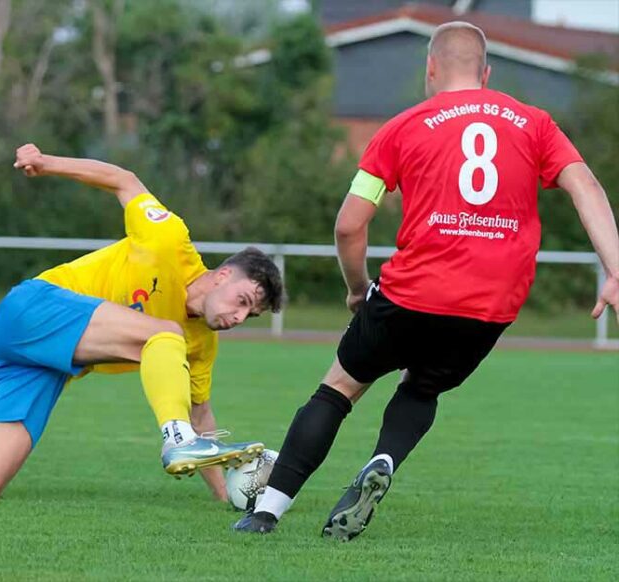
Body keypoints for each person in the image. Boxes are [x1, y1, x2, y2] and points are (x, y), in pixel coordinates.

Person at [234, 21, 619, 539]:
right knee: (421, 387)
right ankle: (385, 460)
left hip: (411, 292)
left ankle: (266, 512)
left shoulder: (400, 127)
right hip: (492, 305)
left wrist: (356, 287)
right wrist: (615, 269)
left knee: (338, 390)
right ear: (486, 72)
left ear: (431, 69)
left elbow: (349, 224)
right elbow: (586, 186)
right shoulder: (536, 124)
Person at [0, 143, 285, 500]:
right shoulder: (168, 240)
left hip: (46, 361)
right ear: (223, 275)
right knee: (166, 335)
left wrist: (228, 495)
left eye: (250, 315)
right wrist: (47, 162)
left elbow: (200, 414)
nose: (238, 317)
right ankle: (171, 437)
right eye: (242, 300)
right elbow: (124, 179)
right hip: (34, 308)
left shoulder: (201, 344)